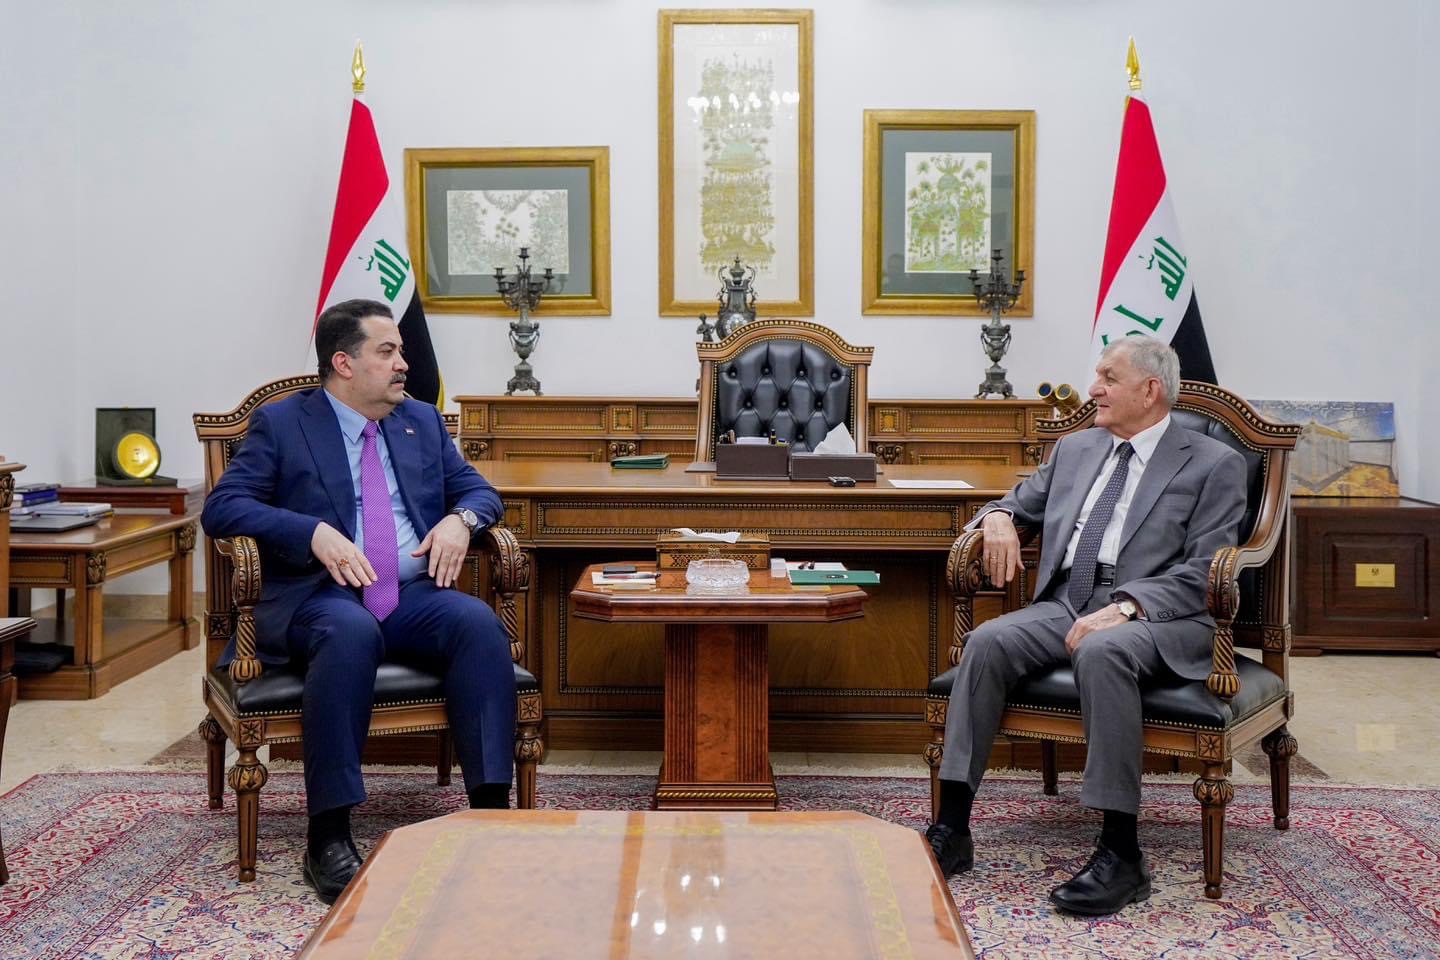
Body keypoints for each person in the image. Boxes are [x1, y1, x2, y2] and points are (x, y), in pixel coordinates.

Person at [201, 298, 515, 903]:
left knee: (476, 623)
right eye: (387, 351)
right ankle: (328, 835)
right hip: (319, 596)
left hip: (409, 593)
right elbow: (223, 508)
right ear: (344, 363)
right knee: (350, 632)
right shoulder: (284, 423)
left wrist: (462, 521)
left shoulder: (420, 420)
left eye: (401, 351)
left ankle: (490, 812)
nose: (404, 363)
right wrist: (311, 533)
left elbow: (479, 491)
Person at [926, 335, 1246, 916]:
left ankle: (1121, 853)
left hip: (1159, 615)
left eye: (1108, 378)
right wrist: (997, 518)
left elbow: (1205, 569)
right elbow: (1015, 502)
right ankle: (952, 828)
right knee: (987, 641)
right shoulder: (1075, 448)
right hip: (1068, 601)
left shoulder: (1212, 463)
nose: (1093, 388)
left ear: (1150, 390)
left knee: (1103, 651)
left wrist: (1127, 607)